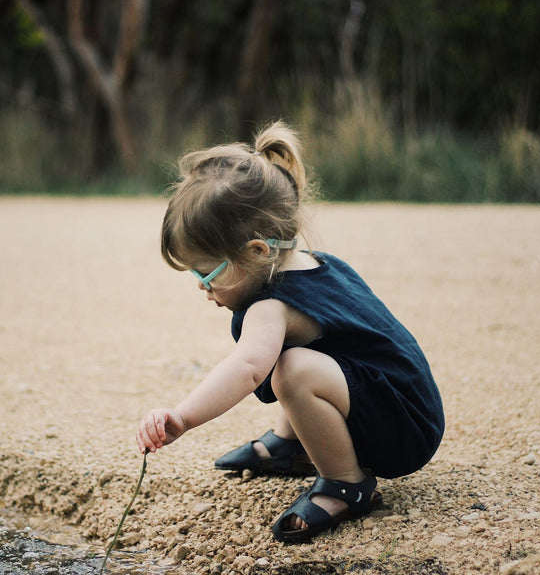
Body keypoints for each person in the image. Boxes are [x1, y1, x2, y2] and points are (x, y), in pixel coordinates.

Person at [135, 121, 445, 543]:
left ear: (257, 252)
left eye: (208, 273)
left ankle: (345, 484)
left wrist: (182, 418)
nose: (201, 286)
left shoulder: (272, 306)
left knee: (292, 370)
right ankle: (291, 443)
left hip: (403, 432)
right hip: (408, 406)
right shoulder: (318, 263)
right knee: (303, 356)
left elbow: (247, 368)